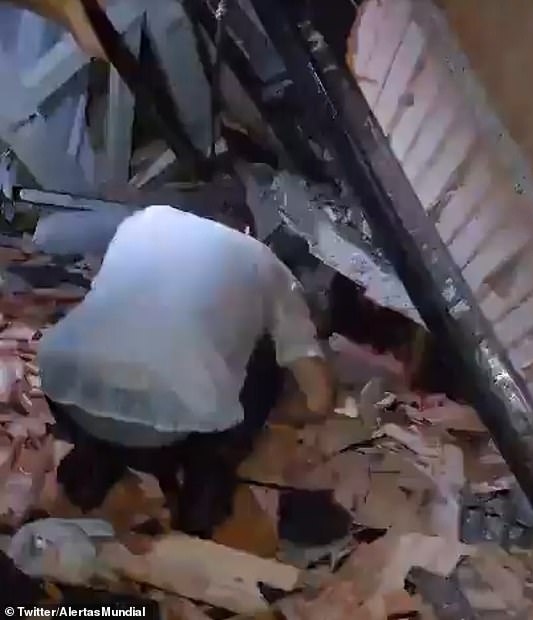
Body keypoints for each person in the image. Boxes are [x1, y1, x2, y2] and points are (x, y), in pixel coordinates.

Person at [37, 204, 334, 538]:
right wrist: (272, 411)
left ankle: (95, 461)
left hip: (67, 392)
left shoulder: (146, 221)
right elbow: (319, 400)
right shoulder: (265, 263)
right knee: (262, 358)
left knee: (102, 323)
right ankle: (204, 486)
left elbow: (52, 236)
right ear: (246, 232)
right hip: (171, 435)